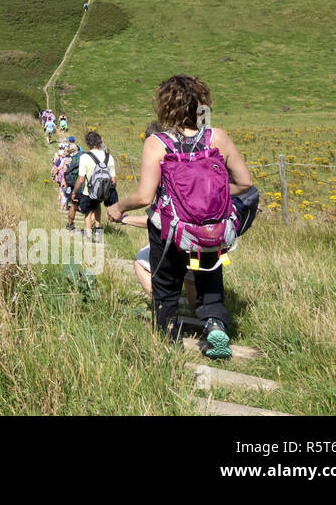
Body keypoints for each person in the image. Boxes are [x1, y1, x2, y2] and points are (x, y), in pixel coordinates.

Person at [108, 75, 256, 359]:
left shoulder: (157, 143)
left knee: (166, 287)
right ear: (201, 105)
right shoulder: (218, 137)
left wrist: (119, 208)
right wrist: (214, 198)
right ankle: (214, 326)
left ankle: (168, 345)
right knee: (209, 280)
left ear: (165, 107)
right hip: (212, 229)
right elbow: (245, 182)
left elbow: (144, 197)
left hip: (171, 232)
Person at [73, 130, 117, 240]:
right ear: (99, 142)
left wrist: (74, 192)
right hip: (104, 192)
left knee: (88, 213)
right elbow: (114, 180)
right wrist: (109, 192)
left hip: (89, 191)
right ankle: (98, 234)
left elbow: (81, 179)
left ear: (88, 143)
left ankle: (88, 235)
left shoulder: (85, 157)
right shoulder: (109, 157)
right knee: (97, 207)